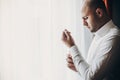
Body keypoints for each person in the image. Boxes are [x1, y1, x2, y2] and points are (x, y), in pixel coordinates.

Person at [61, 0, 120, 80]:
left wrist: (72, 46)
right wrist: (77, 68)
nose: (84, 23)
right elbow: (91, 73)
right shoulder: (97, 36)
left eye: (86, 18)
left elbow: (91, 77)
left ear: (99, 13)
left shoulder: (114, 37)